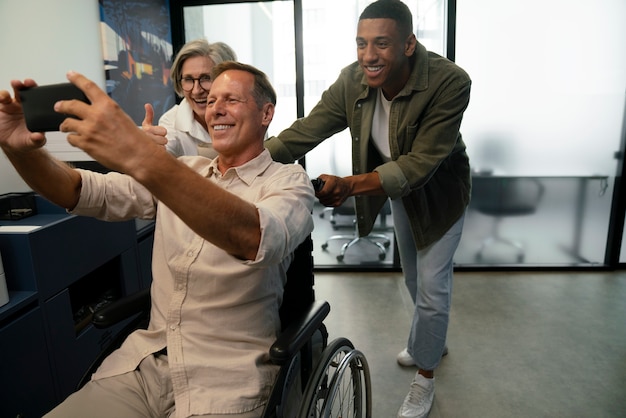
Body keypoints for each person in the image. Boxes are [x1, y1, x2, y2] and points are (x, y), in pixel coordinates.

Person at [0, 61, 314, 418]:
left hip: (227, 379)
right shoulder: (186, 170)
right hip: (144, 367)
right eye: (211, 101)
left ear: (266, 113)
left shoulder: (289, 182)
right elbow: (81, 191)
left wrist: (143, 157)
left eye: (231, 100)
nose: (215, 109)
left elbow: (255, 236)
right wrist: (21, 151)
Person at [264, 0, 471, 416]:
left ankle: (426, 377)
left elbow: (421, 163)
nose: (368, 55)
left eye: (381, 44)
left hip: (439, 199)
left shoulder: (450, 82)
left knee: (432, 288)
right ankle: (433, 339)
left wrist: (351, 186)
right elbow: (308, 129)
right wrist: (248, 159)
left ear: (409, 44)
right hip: (398, 194)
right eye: (361, 44)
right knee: (413, 277)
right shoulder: (353, 80)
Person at [145, 39, 237, 158]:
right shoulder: (172, 122)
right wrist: (147, 150)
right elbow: (162, 158)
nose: (196, 91)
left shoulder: (244, 113)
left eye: (206, 78)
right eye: (188, 80)